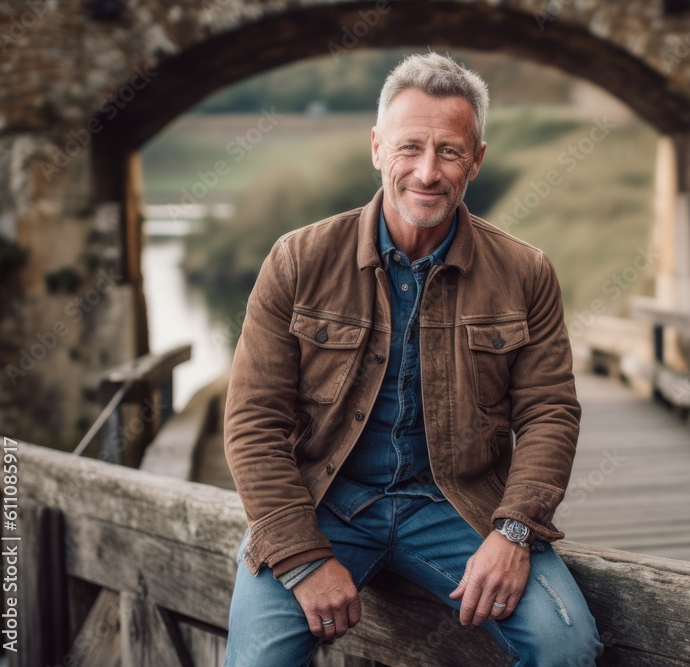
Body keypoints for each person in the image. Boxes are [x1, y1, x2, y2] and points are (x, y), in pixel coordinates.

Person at [223, 52, 602, 667]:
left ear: (476, 160)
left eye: (450, 151)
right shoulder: (296, 261)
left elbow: (549, 413)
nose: (427, 172)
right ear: (377, 148)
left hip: (460, 510)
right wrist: (302, 559)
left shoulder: (525, 273)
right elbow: (252, 423)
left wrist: (514, 532)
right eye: (409, 148)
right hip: (325, 505)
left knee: (568, 642)